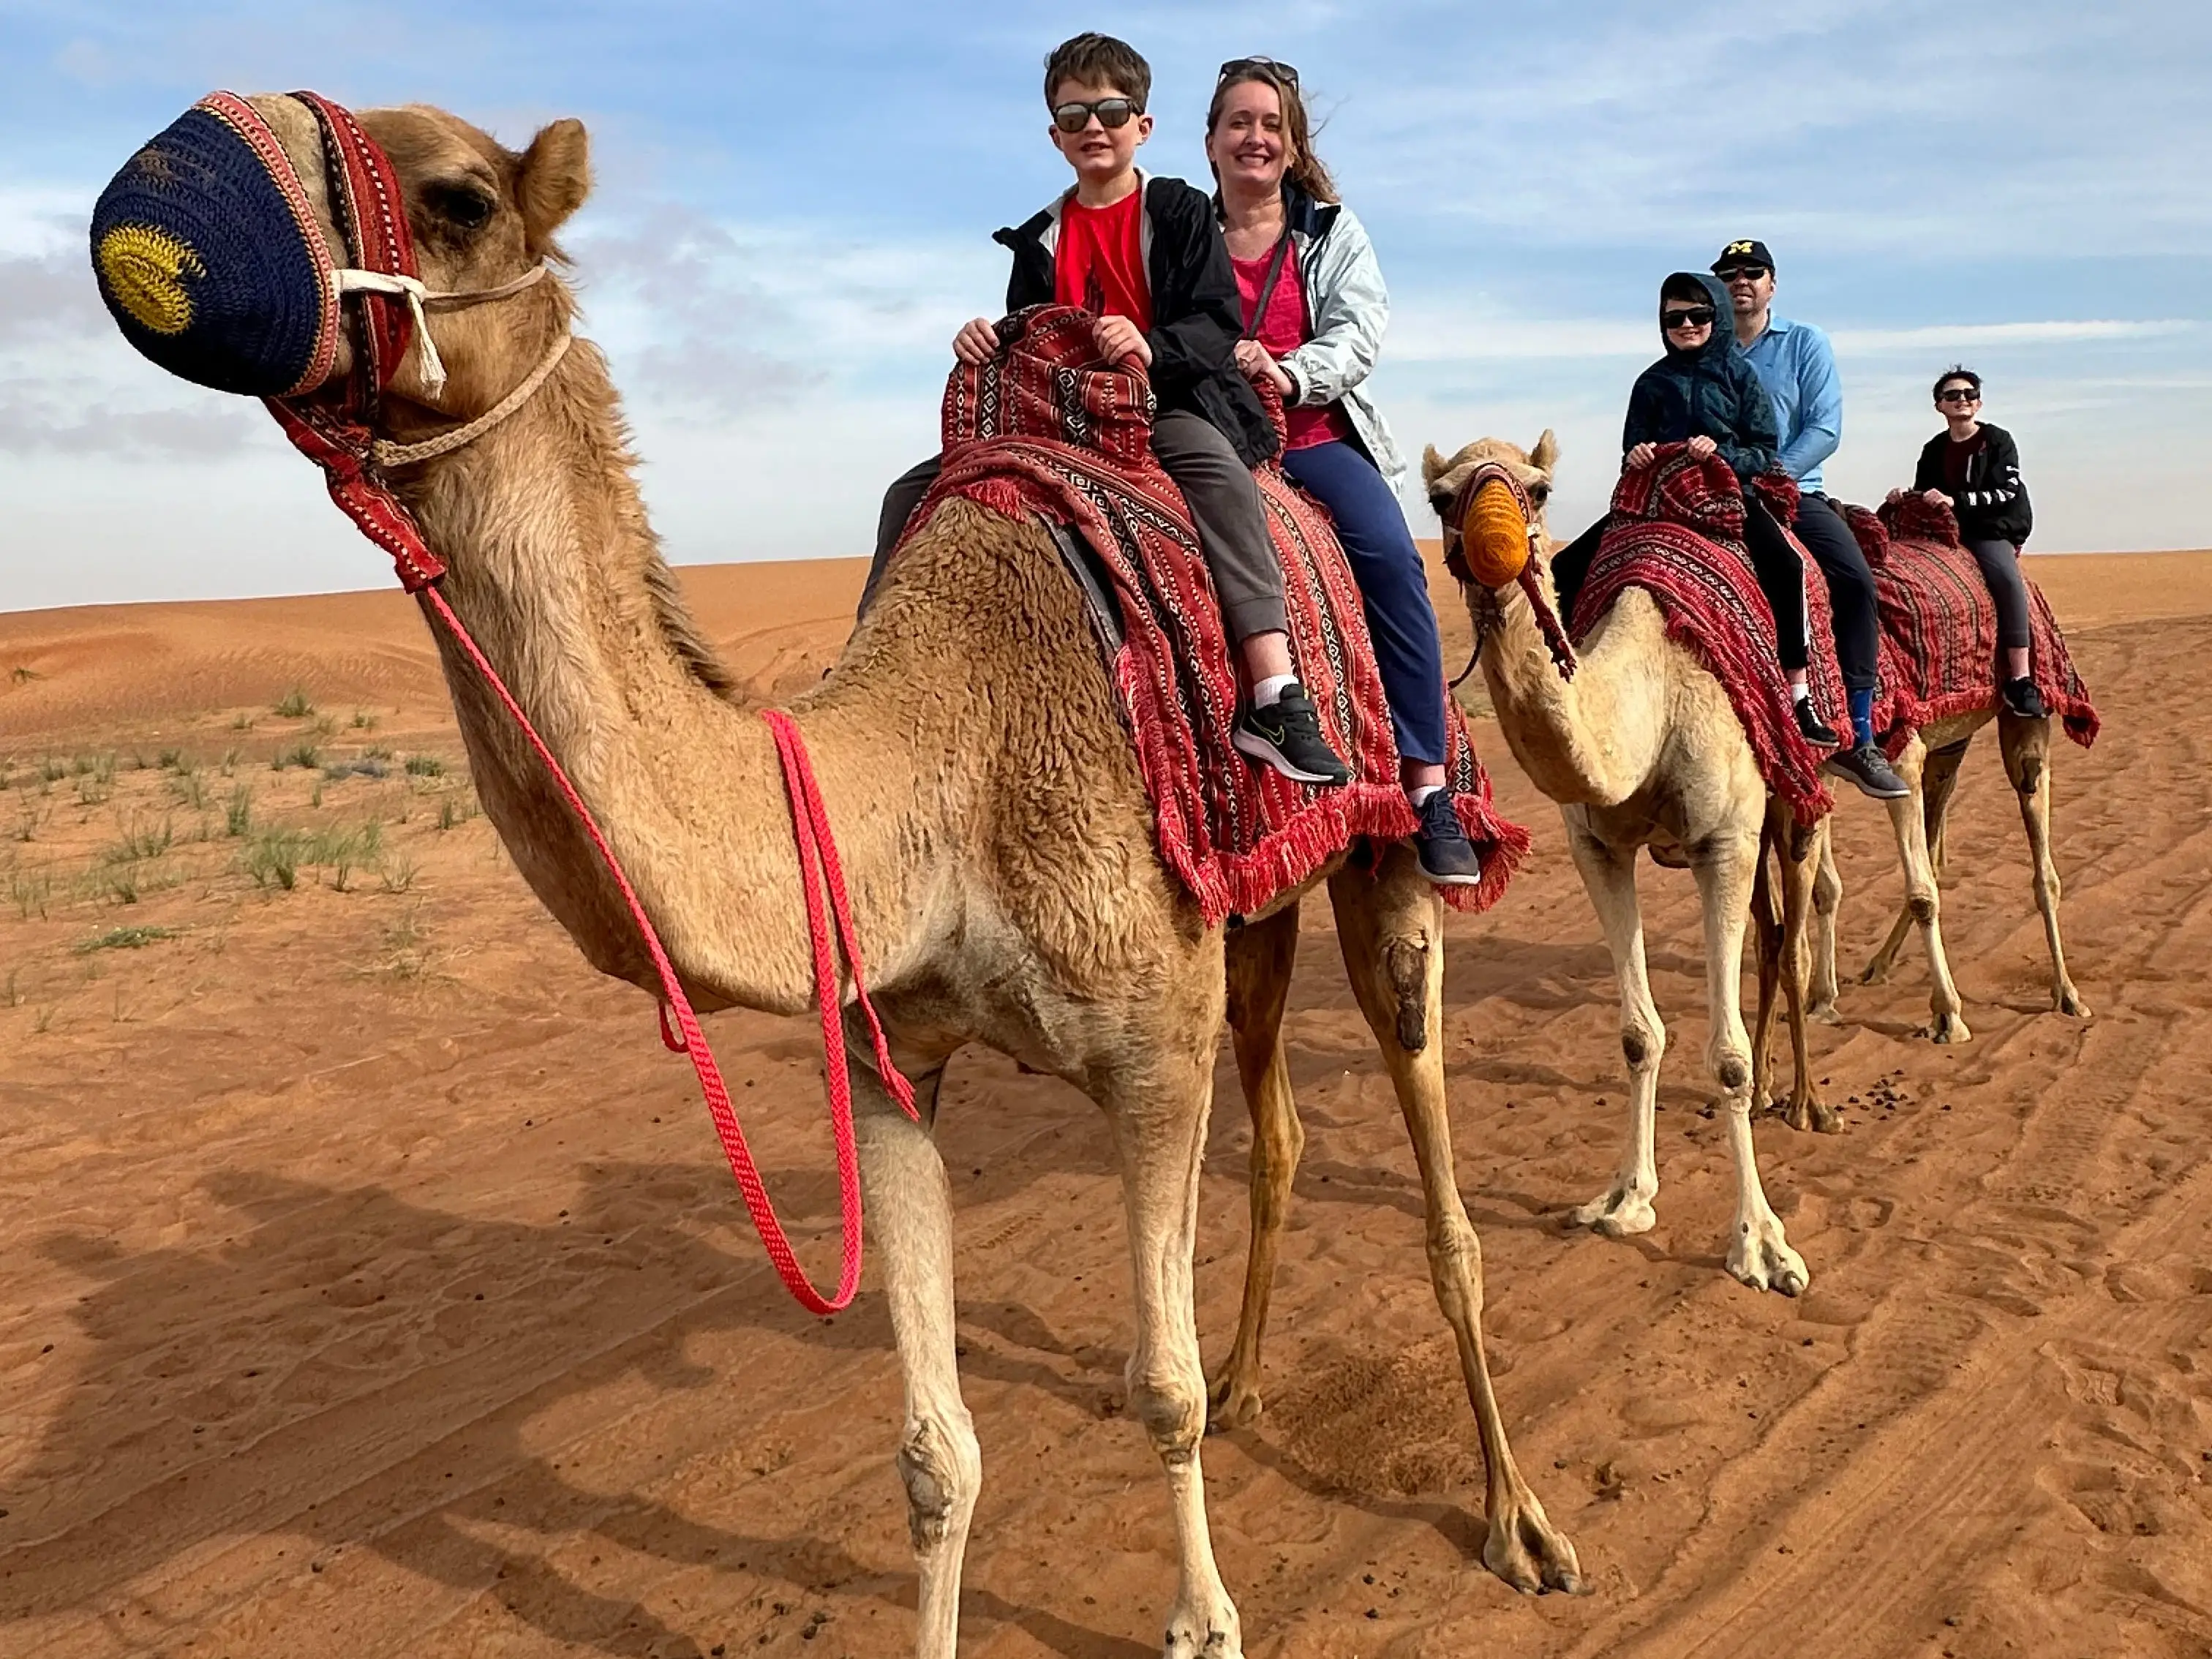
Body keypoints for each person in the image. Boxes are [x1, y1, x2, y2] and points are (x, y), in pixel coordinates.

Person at [864, 32, 1347, 787]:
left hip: (1164, 404)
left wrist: (1149, 344)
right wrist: (987, 338)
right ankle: (873, 664)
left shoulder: (1181, 210)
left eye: (1114, 109)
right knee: (908, 492)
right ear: (1055, 135)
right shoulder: (1038, 238)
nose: (1096, 125)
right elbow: (1031, 339)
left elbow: (1216, 322)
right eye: (1077, 112)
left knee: (1219, 475)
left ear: (1142, 127)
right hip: (1058, 418)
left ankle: (1272, 688)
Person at [1203, 56, 1481, 884]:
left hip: (1315, 436)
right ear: (1211, 140)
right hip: (1209, 437)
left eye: (1269, 126)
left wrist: (1288, 371)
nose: (1254, 138)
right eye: (1239, 124)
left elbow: (1359, 333)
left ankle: (1428, 787)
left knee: (1395, 567)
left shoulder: (1329, 230)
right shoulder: (1181, 229)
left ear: (1290, 146)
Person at [1548, 273, 1839, 746]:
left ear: (1717, 318)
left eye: (1699, 315)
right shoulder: (1652, 382)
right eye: (1675, 317)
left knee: (1786, 567)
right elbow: (1631, 447)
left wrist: (1721, 452)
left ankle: (1799, 694)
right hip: (1659, 499)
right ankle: (1564, 678)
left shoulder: (1739, 376)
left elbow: (1764, 449)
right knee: (1564, 568)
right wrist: (1639, 454)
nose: (1687, 325)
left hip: (1728, 495)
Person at [1715, 238, 1909, 800]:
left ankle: (1860, 734)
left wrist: (1771, 474)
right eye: (1729, 275)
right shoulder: (1708, 350)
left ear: (1772, 284)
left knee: (1854, 583)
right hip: (1719, 497)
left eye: (1753, 272)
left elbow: (1825, 428)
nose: (1741, 282)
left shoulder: (1804, 343)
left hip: (1795, 494)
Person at [1911, 366, 2045, 718]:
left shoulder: (1998, 441)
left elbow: (2007, 491)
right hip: (1948, 532)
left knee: (2005, 579)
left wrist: (1957, 500)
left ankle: (2020, 678)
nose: (1962, 400)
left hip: (1991, 528)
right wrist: (1906, 498)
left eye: (1969, 394)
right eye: (1953, 395)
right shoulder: (1934, 449)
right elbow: (1924, 491)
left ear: (1979, 403)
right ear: (1940, 406)